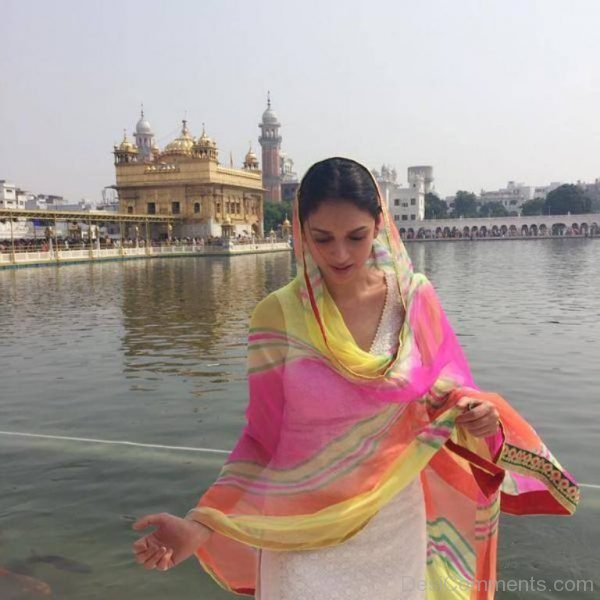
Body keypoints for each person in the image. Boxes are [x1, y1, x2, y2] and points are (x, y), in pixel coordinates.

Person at [133, 158, 579, 599]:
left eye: (356, 237)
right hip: (301, 535)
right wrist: (201, 522)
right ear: (300, 230)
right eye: (322, 238)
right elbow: (261, 438)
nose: (340, 254)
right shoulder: (278, 315)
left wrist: (478, 416)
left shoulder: (413, 300)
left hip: (393, 526)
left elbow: (450, 395)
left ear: (379, 225)